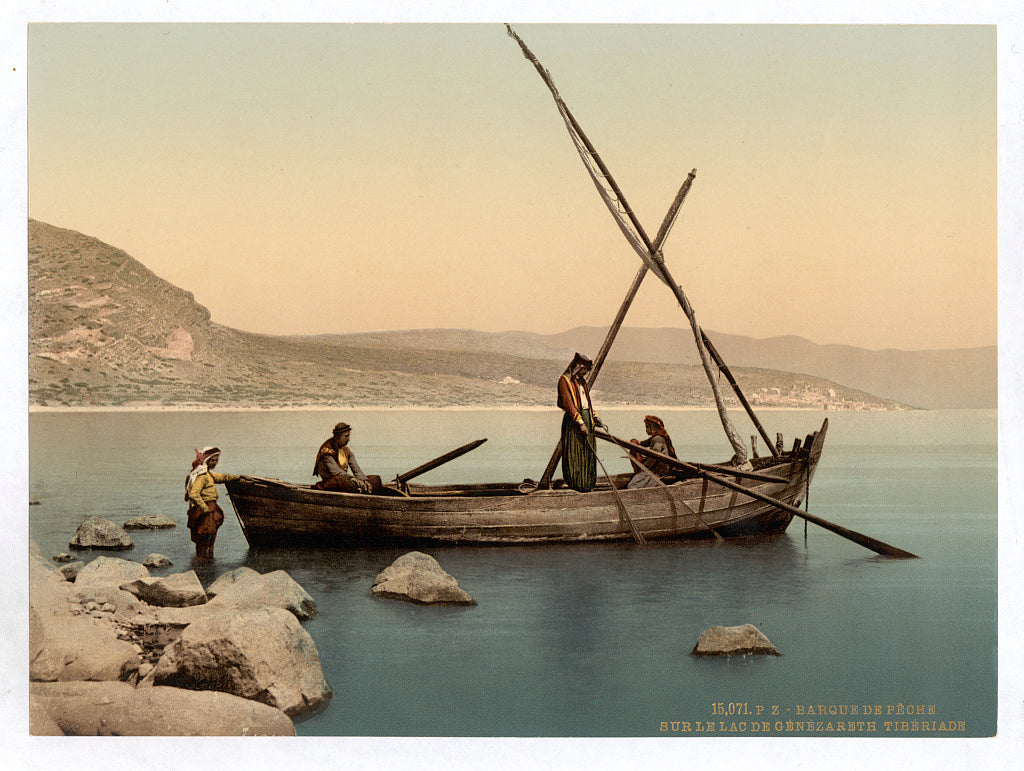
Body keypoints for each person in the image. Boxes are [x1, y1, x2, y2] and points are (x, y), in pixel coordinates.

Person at [557, 352, 604, 492]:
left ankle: (587, 483)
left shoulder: (582, 381)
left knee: (587, 451)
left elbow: (587, 402)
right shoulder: (564, 381)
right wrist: (580, 422)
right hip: (574, 423)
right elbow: (569, 404)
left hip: (587, 419)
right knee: (575, 452)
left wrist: (594, 417)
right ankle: (577, 484)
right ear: (578, 367)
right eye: (584, 370)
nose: (585, 373)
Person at [185, 446, 239, 559]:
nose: (215, 463)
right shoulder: (202, 476)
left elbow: (221, 477)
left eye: (216, 460)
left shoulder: (208, 474)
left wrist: (236, 477)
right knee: (206, 537)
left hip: (210, 509)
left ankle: (206, 565)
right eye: (213, 460)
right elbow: (193, 494)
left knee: (209, 538)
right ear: (207, 460)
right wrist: (205, 509)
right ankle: (204, 566)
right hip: (205, 510)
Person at [313, 422, 382, 493]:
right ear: (337, 437)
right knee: (341, 482)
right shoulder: (327, 450)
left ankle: (359, 488)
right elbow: (336, 472)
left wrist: (364, 481)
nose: (348, 439)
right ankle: (358, 489)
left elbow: (356, 469)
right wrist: (354, 480)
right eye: (346, 436)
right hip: (334, 481)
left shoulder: (347, 450)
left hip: (346, 479)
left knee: (375, 480)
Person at [627, 415, 679, 489]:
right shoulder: (655, 438)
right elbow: (642, 444)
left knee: (632, 485)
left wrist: (643, 468)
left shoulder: (658, 439)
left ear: (651, 427)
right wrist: (634, 443)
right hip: (655, 470)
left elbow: (654, 456)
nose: (645, 430)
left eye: (646, 427)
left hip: (659, 472)